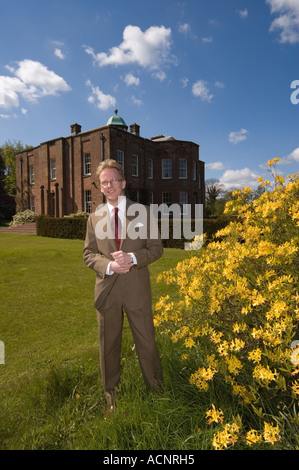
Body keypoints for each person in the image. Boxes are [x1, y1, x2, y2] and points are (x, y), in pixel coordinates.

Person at [83, 159, 164, 417]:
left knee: (146, 341)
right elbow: (88, 254)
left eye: (114, 180)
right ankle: (111, 398)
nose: (109, 186)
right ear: (100, 186)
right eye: (104, 182)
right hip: (107, 289)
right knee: (108, 345)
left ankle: (156, 390)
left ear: (123, 183)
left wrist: (133, 259)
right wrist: (108, 266)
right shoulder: (94, 217)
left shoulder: (142, 212)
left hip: (136, 287)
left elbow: (156, 248)